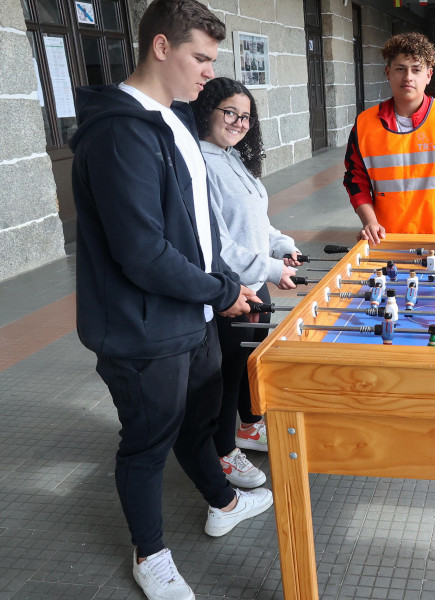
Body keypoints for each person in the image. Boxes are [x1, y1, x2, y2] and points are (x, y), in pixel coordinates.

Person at [70, 2, 274, 599]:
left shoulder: (174, 122)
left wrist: (224, 287)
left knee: (200, 419)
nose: (210, 72)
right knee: (147, 441)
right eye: (201, 58)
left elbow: (194, 229)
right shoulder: (118, 134)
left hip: (194, 316)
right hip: (143, 328)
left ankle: (222, 500)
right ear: (161, 47)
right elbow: (142, 252)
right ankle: (150, 555)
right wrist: (221, 290)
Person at [192, 77, 302, 487]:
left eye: (246, 116)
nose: (239, 123)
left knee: (248, 365)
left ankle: (249, 426)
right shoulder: (200, 163)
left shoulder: (232, 156)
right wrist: (272, 270)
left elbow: (256, 223)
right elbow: (218, 243)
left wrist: (283, 247)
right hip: (233, 289)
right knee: (229, 374)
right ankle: (223, 451)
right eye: (230, 113)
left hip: (258, 280)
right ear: (207, 110)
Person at [344, 33, 435, 248]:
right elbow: (355, 179)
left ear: (428, 75)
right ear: (388, 73)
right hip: (386, 240)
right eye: (400, 69)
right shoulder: (365, 124)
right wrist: (370, 222)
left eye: (416, 69)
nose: (408, 77)